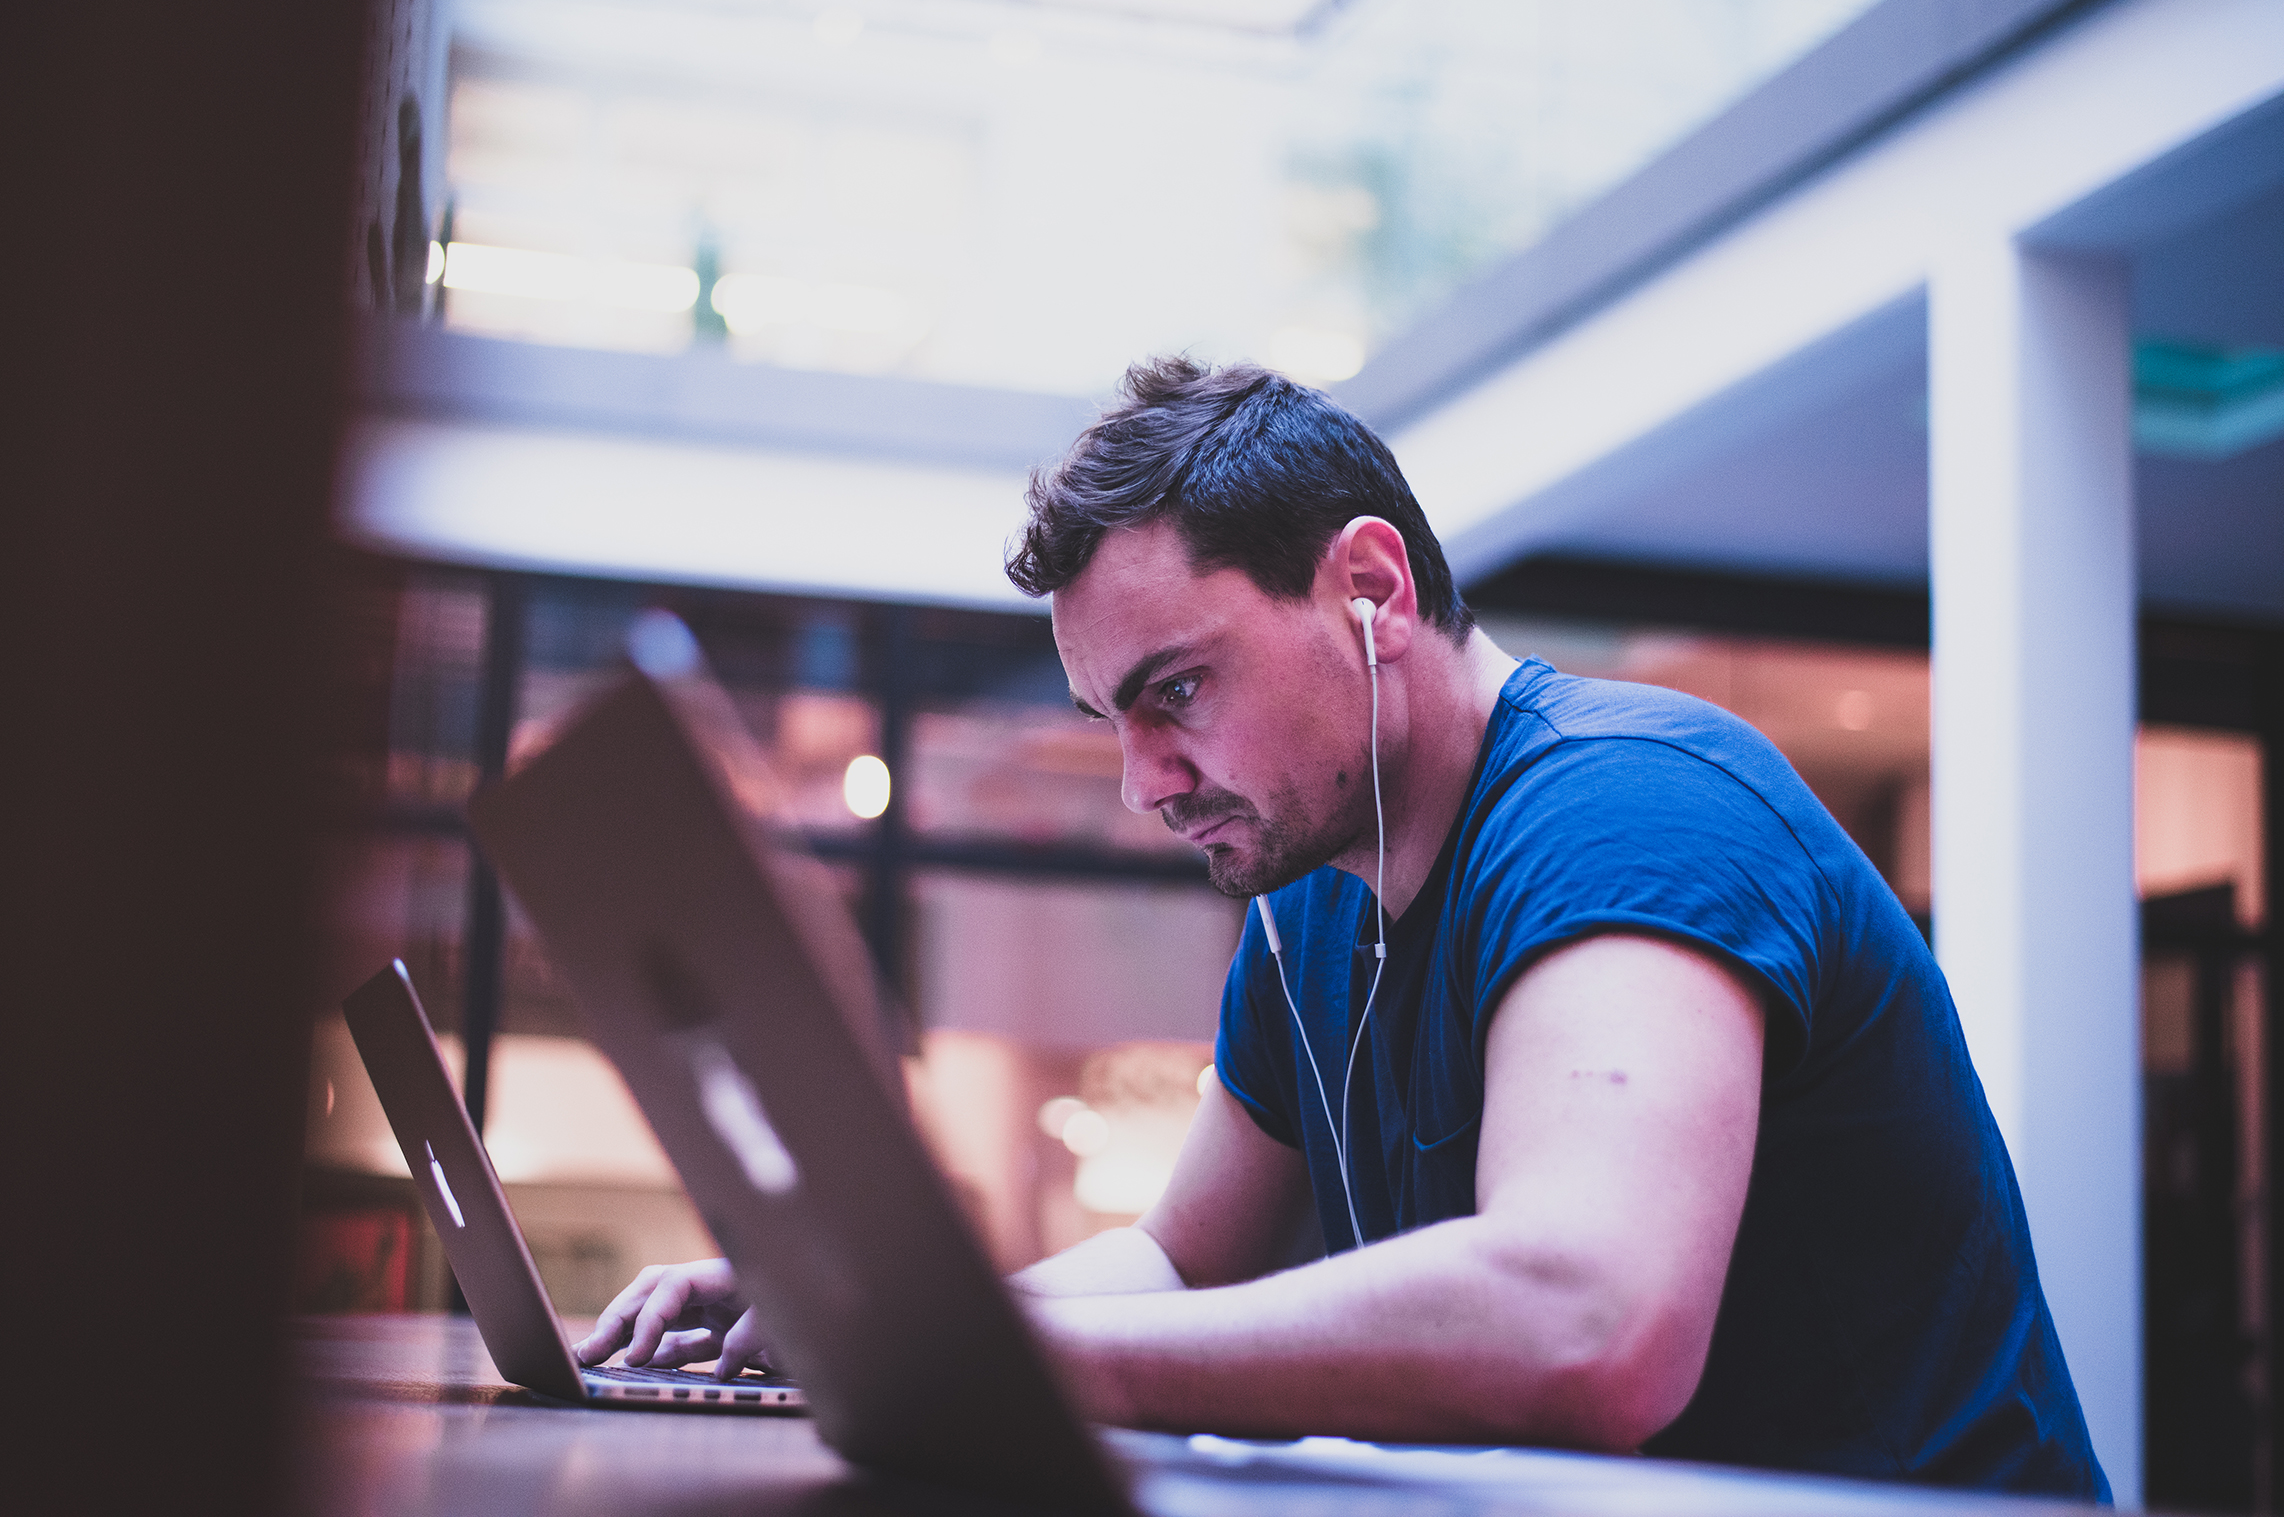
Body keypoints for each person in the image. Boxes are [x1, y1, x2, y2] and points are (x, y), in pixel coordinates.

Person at [577, 357, 2108, 1498]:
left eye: (1175, 691)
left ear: (1367, 586)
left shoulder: (1632, 810)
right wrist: (880, 1315)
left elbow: (1591, 1319)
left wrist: (989, 1363)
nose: (1143, 781)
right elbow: (1186, 1263)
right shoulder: (1318, 896)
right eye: (1114, 719)